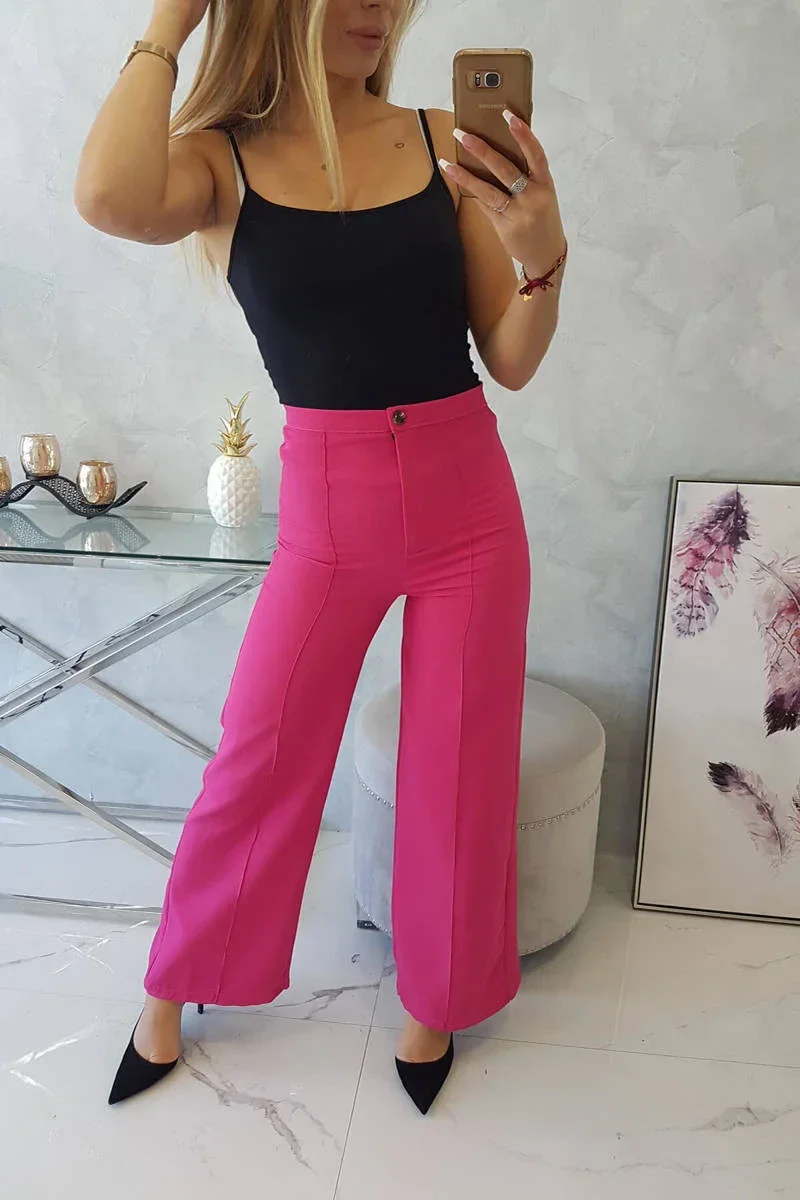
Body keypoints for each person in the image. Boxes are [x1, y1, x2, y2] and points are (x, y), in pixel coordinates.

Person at [74, 0, 567, 1114]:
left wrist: (541, 262)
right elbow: (107, 197)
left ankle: (437, 1003)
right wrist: (173, 19)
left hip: (467, 500)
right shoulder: (218, 162)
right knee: (261, 754)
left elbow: (511, 358)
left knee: (458, 764)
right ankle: (178, 984)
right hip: (328, 507)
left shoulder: (444, 142)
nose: (377, 9)